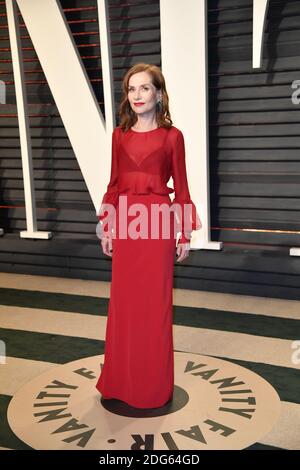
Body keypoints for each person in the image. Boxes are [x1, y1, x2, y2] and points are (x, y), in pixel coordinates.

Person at [95, 63, 202, 409]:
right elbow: (114, 183)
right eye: (131, 89)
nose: (137, 95)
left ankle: (152, 388)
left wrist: (183, 232)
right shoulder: (119, 135)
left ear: (158, 93)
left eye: (144, 88)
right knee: (124, 307)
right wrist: (108, 226)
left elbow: (182, 188)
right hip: (126, 224)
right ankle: (119, 382)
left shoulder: (173, 137)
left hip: (157, 225)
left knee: (154, 308)